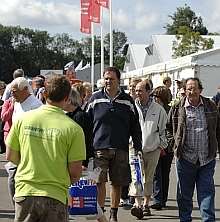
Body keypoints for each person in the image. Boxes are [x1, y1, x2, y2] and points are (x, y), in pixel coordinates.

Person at [5, 75, 86, 222]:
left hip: (26, 192)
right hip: (55, 196)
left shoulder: (23, 119)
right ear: (68, 97)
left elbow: (10, 155)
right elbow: (75, 173)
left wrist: (30, 164)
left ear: (43, 94)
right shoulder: (74, 129)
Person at [86, 67, 142, 222]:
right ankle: (100, 214)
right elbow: (86, 124)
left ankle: (113, 214)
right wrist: (86, 149)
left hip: (121, 149)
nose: (108, 81)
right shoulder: (95, 99)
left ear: (119, 80)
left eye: (111, 78)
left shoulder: (127, 101)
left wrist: (138, 147)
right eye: (106, 78)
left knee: (117, 183)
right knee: (99, 182)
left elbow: (135, 126)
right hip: (98, 149)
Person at [167, 77, 220, 222]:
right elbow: (168, 129)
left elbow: (218, 129)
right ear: (184, 90)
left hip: (206, 158)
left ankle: (208, 220)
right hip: (185, 159)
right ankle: (185, 219)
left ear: (200, 90)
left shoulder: (211, 106)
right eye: (189, 88)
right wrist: (174, 145)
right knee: (184, 194)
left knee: (207, 193)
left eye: (195, 88)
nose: (192, 91)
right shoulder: (178, 107)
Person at [130, 80, 167, 219]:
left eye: (140, 90)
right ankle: (138, 204)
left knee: (149, 177)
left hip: (153, 149)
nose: (137, 93)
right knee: (136, 176)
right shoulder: (132, 107)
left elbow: (164, 129)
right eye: (136, 90)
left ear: (148, 91)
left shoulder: (158, 109)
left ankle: (146, 204)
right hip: (134, 148)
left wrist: (161, 145)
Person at [4, 77, 43, 206]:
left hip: (30, 150)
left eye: (15, 91)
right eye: (11, 92)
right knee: (12, 178)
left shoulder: (36, 106)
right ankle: (17, 207)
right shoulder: (16, 103)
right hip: (16, 147)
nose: (12, 94)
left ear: (26, 89)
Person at [151, 86, 174, 210]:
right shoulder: (156, 109)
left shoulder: (165, 110)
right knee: (160, 173)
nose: (153, 98)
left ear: (160, 98)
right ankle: (160, 199)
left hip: (164, 146)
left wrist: (165, 145)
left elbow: (170, 130)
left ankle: (160, 199)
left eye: (155, 96)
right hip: (161, 146)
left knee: (161, 173)